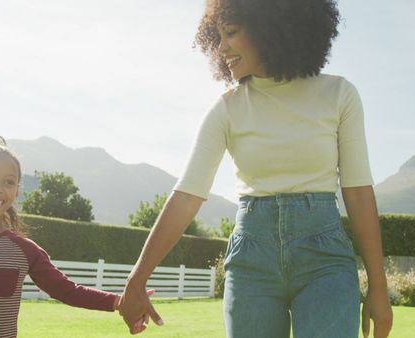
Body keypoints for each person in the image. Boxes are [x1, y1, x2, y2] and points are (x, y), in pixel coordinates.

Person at [119, 0, 393, 337]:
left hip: (325, 262)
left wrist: (378, 287)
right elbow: (187, 195)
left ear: (269, 26)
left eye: (230, 33)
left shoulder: (339, 94)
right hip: (251, 261)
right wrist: (137, 277)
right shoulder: (226, 109)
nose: (221, 48)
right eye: (217, 37)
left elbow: (358, 192)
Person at [0, 136, 147, 337]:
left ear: (17, 190)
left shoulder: (25, 250)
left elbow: (67, 290)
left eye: (9, 182)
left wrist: (119, 301)